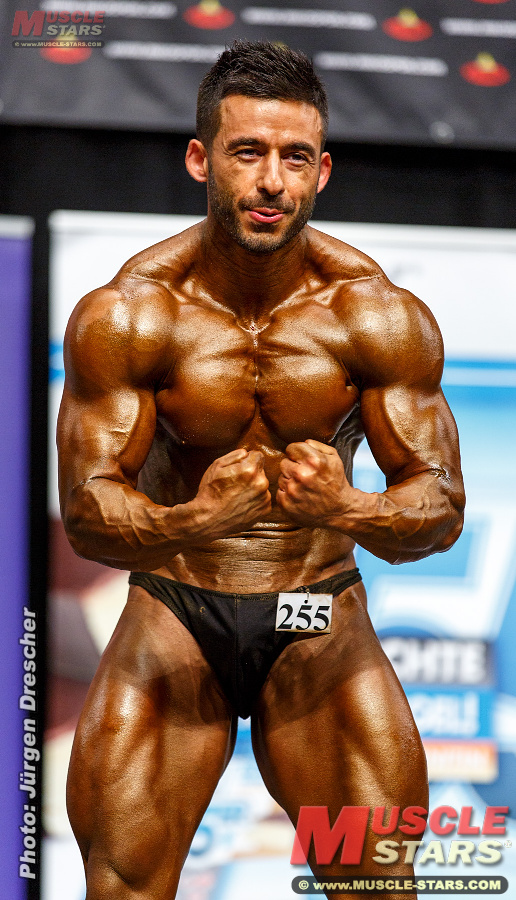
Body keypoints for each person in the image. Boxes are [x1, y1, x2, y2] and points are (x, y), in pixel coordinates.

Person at [58, 41, 465, 900]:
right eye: (248, 152)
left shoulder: (377, 316)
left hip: (314, 609)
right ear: (200, 159)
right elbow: (88, 515)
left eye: (295, 157)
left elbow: (439, 509)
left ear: (323, 170)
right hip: (177, 606)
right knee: (123, 883)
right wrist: (193, 521)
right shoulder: (130, 314)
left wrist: (347, 506)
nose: (272, 181)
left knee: (380, 883)